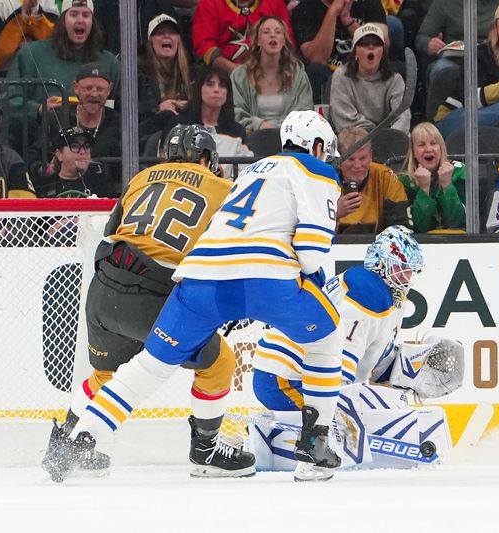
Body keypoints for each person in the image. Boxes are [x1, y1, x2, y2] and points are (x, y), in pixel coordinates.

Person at [43, 110, 346, 483]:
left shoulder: (164, 176)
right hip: (223, 279)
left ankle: (77, 439)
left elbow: (111, 230)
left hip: (147, 281)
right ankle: (304, 447)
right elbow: (310, 253)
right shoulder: (266, 177)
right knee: (319, 338)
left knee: (137, 369)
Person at [45, 124, 250, 478]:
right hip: (152, 297)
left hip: (104, 288)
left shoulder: (140, 178)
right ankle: (205, 450)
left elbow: (112, 230)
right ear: (206, 157)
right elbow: (235, 250)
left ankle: (62, 443)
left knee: (106, 375)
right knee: (219, 363)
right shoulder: (224, 188)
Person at [250, 226, 462, 471]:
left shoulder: (386, 295)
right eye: (400, 271)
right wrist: (342, 419)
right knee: (337, 442)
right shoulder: (368, 292)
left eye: (411, 273)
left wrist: (409, 369)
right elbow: (340, 357)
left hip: (294, 373)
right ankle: (305, 458)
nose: (406, 279)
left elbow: (371, 362)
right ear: (380, 265)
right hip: (285, 378)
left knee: (358, 417)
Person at [3, 0, 119, 148]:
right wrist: (38, 109)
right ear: (62, 20)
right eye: (74, 14)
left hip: (100, 147)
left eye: (85, 15)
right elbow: (7, 102)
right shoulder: (31, 54)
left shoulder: (109, 62)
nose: (80, 20)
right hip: (43, 146)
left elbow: (123, 108)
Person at [429, 2, 499, 146]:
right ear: (495, 26)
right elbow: (470, 99)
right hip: (450, 119)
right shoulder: (479, 54)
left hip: (489, 123)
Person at [28, 63, 122, 193]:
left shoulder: (120, 123)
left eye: (100, 89)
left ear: (109, 89)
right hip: (60, 194)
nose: (94, 94)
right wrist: (44, 169)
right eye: (88, 88)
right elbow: (34, 157)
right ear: (76, 88)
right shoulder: (56, 118)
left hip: (107, 196)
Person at [290, 0, 388, 103]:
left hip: (367, 71)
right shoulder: (305, 9)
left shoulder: (368, 3)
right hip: (330, 77)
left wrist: (348, 20)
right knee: (314, 71)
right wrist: (333, 12)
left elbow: (383, 45)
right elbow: (317, 58)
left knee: (396, 69)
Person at [230, 15, 314, 131]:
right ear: (257, 41)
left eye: (278, 32)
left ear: (284, 40)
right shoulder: (239, 75)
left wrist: (278, 128)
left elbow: (305, 114)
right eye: (266, 32)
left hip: (290, 138)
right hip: (252, 138)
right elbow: (235, 113)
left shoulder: (298, 75)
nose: (273, 35)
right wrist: (259, 125)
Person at [169, 66, 253, 179]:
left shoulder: (237, 132)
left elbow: (247, 171)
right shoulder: (179, 126)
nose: (217, 89)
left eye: (222, 86)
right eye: (210, 84)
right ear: (199, 89)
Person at [329, 23, 410, 135]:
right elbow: (345, 121)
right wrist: (375, 135)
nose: (371, 47)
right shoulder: (341, 77)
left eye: (376, 44)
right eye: (364, 44)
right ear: (355, 53)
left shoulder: (395, 79)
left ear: (382, 53)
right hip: (356, 139)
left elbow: (402, 116)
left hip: (389, 139)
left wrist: (392, 137)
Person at [336, 127, 411, 234]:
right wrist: (335, 213)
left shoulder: (386, 177)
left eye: (362, 158)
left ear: (371, 155)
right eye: (350, 159)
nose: (357, 165)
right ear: (339, 158)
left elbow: (400, 227)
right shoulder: (326, 179)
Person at [192, 0, 295, 74]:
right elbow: (204, 45)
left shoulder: (275, 3)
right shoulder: (210, 3)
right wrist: (233, 69)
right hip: (224, 77)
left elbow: (287, 42)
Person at [398, 122, 466, 233]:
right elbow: (419, 228)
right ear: (414, 152)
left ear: (441, 148)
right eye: (421, 145)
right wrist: (424, 190)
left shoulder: (460, 173)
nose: (428, 149)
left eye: (433, 143)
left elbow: (458, 224)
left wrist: (447, 186)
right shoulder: (404, 182)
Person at [138, 14, 194, 148]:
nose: (166, 36)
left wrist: (188, 105)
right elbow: (129, 108)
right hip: (148, 133)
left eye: (172, 32)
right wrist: (157, 107)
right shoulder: (138, 72)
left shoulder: (193, 72)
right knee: (167, 115)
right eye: (160, 33)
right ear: (150, 41)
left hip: (185, 131)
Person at [415, 0, 499, 82]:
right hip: (454, 60)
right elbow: (422, 37)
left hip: (495, 59)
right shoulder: (446, 2)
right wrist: (429, 44)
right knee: (443, 70)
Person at [0, 0, 59, 74]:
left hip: (46, 76)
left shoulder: (48, 2)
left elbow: (54, 46)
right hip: (3, 77)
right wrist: (22, 17)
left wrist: (36, 13)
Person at [32, 126, 116, 198]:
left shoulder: (102, 184)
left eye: (86, 147)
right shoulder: (43, 186)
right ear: (59, 154)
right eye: (75, 146)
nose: (83, 152)